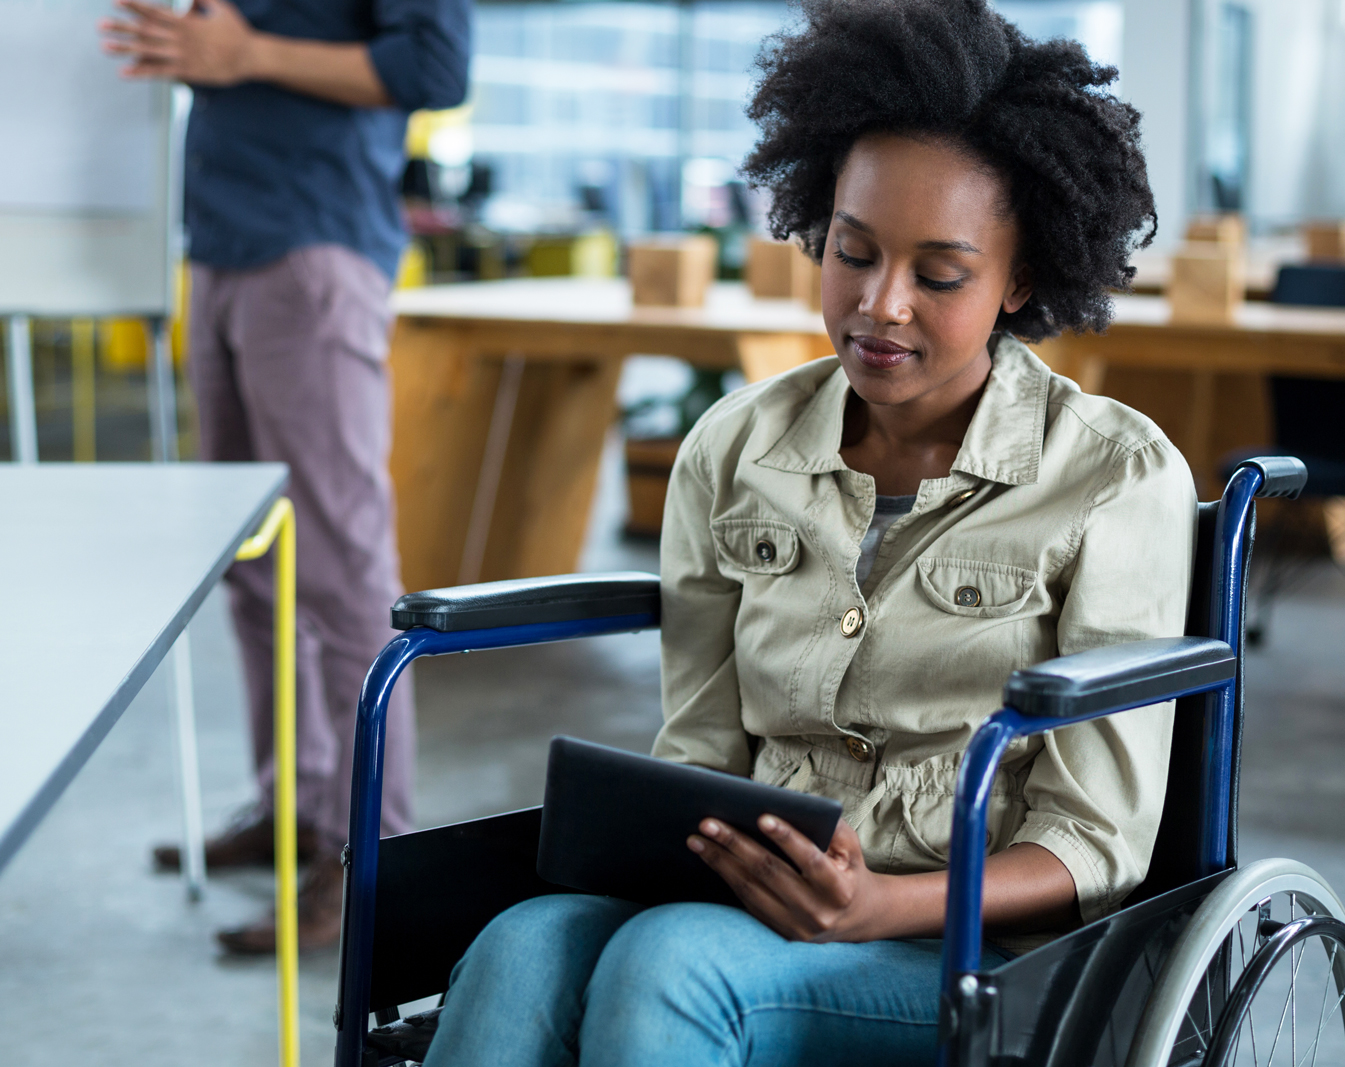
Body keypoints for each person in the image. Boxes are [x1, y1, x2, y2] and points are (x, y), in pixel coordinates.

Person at [423, 1, 1193, 1063]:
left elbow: (1094, 838)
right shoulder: (736, 447)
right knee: (520, 946)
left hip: (982, 945)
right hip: (746, 895)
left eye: (939, 274)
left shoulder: (1112, 475)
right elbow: (698, 749)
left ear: (1019, 280)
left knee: (671, 965)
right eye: (852, 251)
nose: (879, 305)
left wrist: (880, 903)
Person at [98, 0, 471, 953]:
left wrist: (245, 51)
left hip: (311, 250)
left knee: (344, 573)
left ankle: (370, 860)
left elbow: (435, 66)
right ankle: (296, 807)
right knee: (251, 564)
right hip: (218, 249)